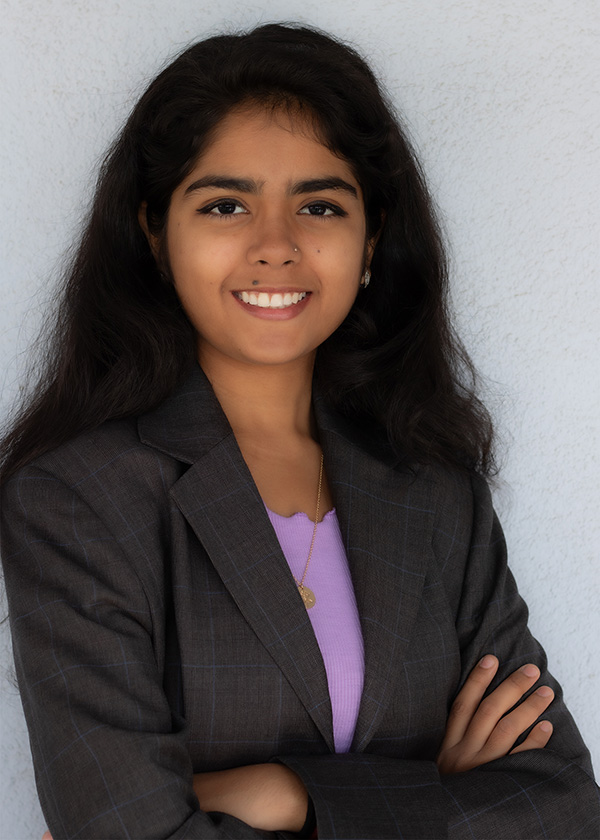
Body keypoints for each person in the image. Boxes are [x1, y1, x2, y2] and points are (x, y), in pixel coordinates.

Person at [1, 22, 598, 840]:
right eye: (225, 204)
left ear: (371, 236)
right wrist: (435, 795)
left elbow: (563, 805)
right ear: (154, 232)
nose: (275, 247)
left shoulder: (435, 485)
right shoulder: (76, 500)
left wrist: (287, 794)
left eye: (319, 204)